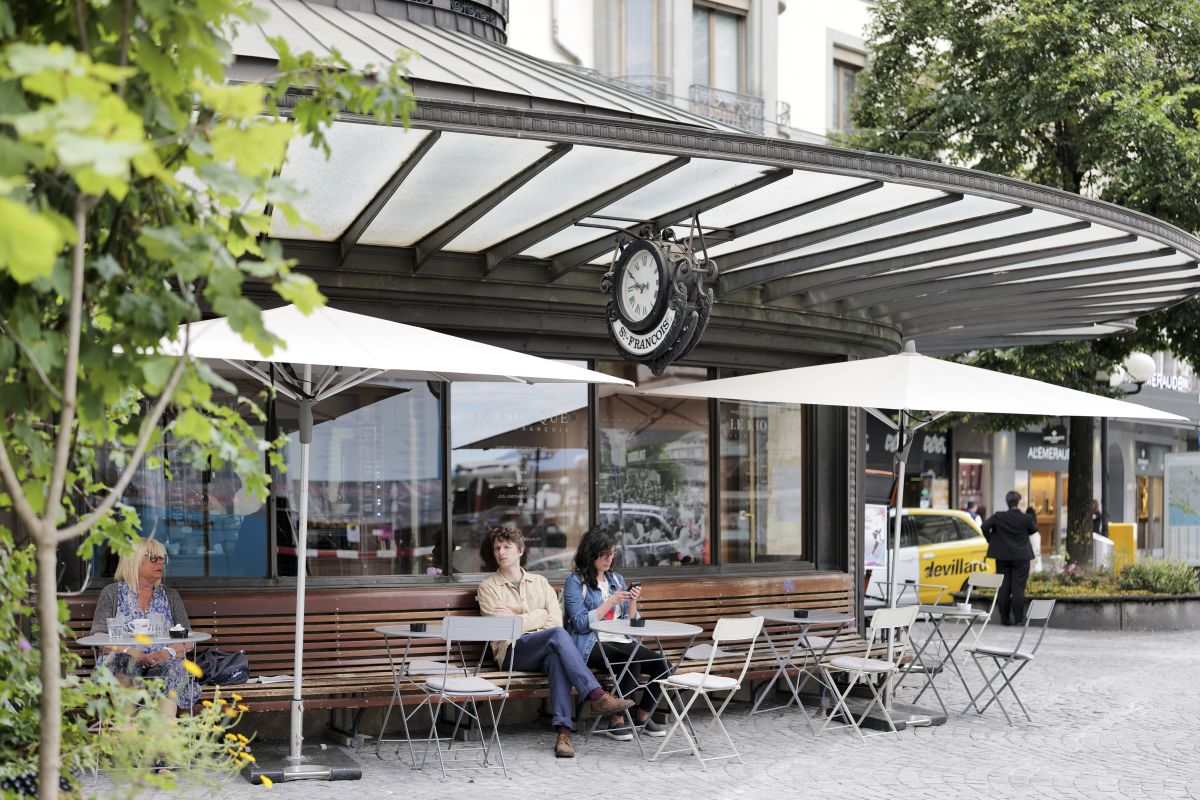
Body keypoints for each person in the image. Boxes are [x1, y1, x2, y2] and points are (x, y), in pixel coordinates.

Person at [476, 524, 633, 759]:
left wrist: (518, 619)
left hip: (546, 647)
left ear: (520, 550)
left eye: (507, 547)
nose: (501, 552)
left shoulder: (540, 582)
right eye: (497, 547)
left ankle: (563, 733)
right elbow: (501, 628)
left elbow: (556, 621)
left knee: (556, 657)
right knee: (558, 638)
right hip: (512, 652)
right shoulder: (488, 587)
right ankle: (597, 696)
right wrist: (538, 616)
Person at [90, 537, 200, 771]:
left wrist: (165, 653)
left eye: (163, 558)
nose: (161, 562)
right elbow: (98, 637)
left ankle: (163, 753)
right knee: (121, 663)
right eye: (153, 558)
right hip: (126, 659)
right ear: (134, 561)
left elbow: (187, 640)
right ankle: (130, 744)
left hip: (161, 660)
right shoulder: (112, 594)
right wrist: (129, 650)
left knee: (175, 668)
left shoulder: (170, 595)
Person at [563, 526, 669, 741]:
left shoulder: (616, 579)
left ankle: (642, 715)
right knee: (629, 660)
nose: (609, 559)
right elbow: (582, 624)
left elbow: (631, 624)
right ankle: (616, 720)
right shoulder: (575, 581)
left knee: (662, 665)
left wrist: (633, 600)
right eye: (604, 554)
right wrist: (609, 601)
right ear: (590, 553)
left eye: (612, 554)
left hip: (620, 638)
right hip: (590, 642)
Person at [980, 491, 1038, 626]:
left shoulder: (998, 516)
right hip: (1021, 557)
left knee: (1003, 587)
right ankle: (1019, 619)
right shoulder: (1026, 518)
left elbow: (984, 527)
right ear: (1019, 502)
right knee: (1018, 588)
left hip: (1002, 556)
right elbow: (1033, 530)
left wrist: (992, 541)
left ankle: (1004, 619)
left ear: (1007, 502)